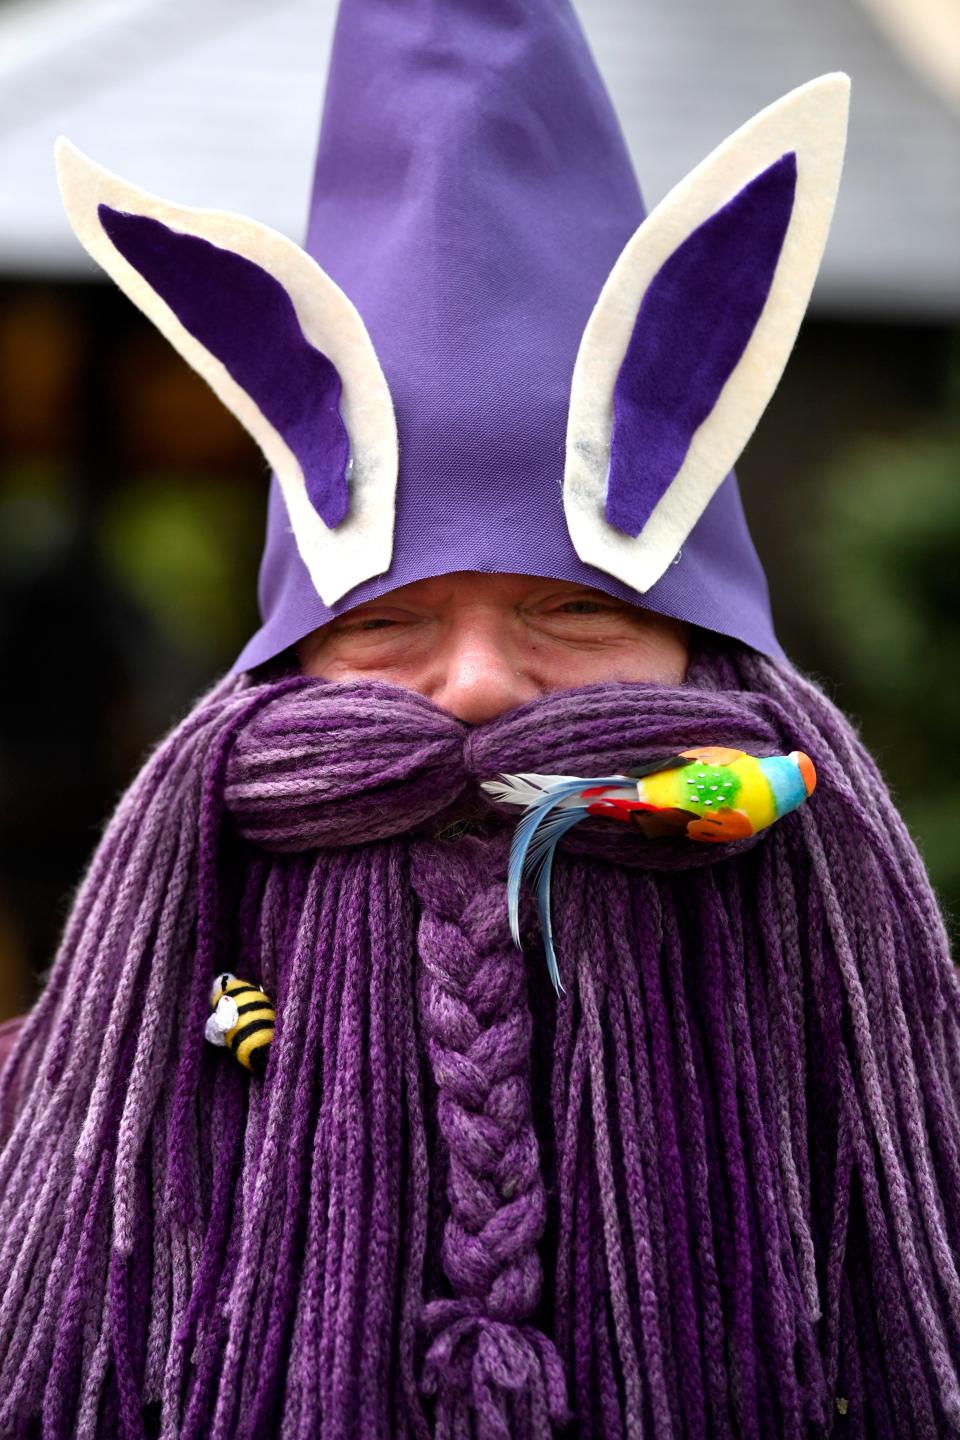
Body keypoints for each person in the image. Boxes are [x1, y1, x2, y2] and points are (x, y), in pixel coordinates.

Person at [1, 2, 958, 1437]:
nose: (475, 685)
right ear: (273, 686)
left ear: (716, 675)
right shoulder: (51, 1143)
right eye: (381, 626)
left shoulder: (903, 1145)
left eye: (575, 614)